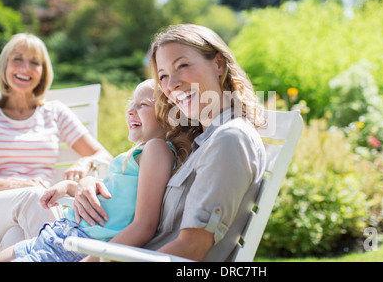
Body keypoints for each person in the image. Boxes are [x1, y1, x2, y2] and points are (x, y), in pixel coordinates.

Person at [73, 24, 267, 262]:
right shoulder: (199, 142)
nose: (171, 84)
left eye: (182, 65)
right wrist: (90, 182)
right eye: (163, 75)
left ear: (218, 64)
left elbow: (191, 248)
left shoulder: (229, 139)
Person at [0, 79, 196, 262]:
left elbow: (144, 226)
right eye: (130, 104)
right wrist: (68, 187)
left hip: (75, 245)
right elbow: (112, 196)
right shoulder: (143, 151)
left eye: (142, 104)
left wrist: (95, 259)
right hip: (58, 235)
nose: (130, 111)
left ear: (172, 115)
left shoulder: (157, 149)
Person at [0, 33, 112, 250]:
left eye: (34, 62)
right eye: (17, 59)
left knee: (15, 241)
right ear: (5, 64)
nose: (25, 68)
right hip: (3, 204)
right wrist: (16, 184)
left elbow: (103, 155)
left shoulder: (54, 112)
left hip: (37, 211)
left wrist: (83, 162)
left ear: (43, 72)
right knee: (33, 196)